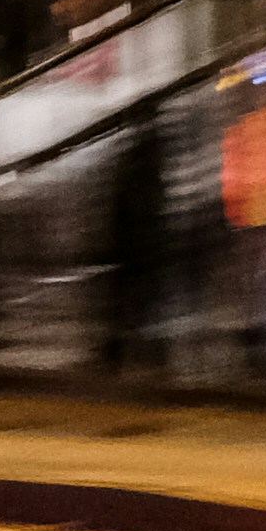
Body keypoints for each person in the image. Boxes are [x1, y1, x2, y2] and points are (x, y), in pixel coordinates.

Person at [95, 98, 170, 381]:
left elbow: (125, 205)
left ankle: (121, 352)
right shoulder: (149, 157)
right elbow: (147, 203)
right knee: (143, 302)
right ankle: (143, 352)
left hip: (134, 245)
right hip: (143, 244)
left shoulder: (135, 156)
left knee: (130, 302)